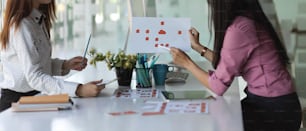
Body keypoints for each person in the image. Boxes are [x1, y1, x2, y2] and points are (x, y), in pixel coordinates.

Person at [169, 0, 302, 130]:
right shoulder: (247, 21)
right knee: (215, 112)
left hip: (274, 111)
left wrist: (186, 63)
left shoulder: (239, 29)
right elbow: (229, 63)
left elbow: (217, 87)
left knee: (212, 117)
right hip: (276, 105)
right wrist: (199, 48)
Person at [0, 0, 105, 112]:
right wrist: (79, 90)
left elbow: (36, 63)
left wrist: (65, 65)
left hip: (35, 98)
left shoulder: (37, 20)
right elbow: (34, 76)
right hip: (16, 104)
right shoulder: (22, 25)